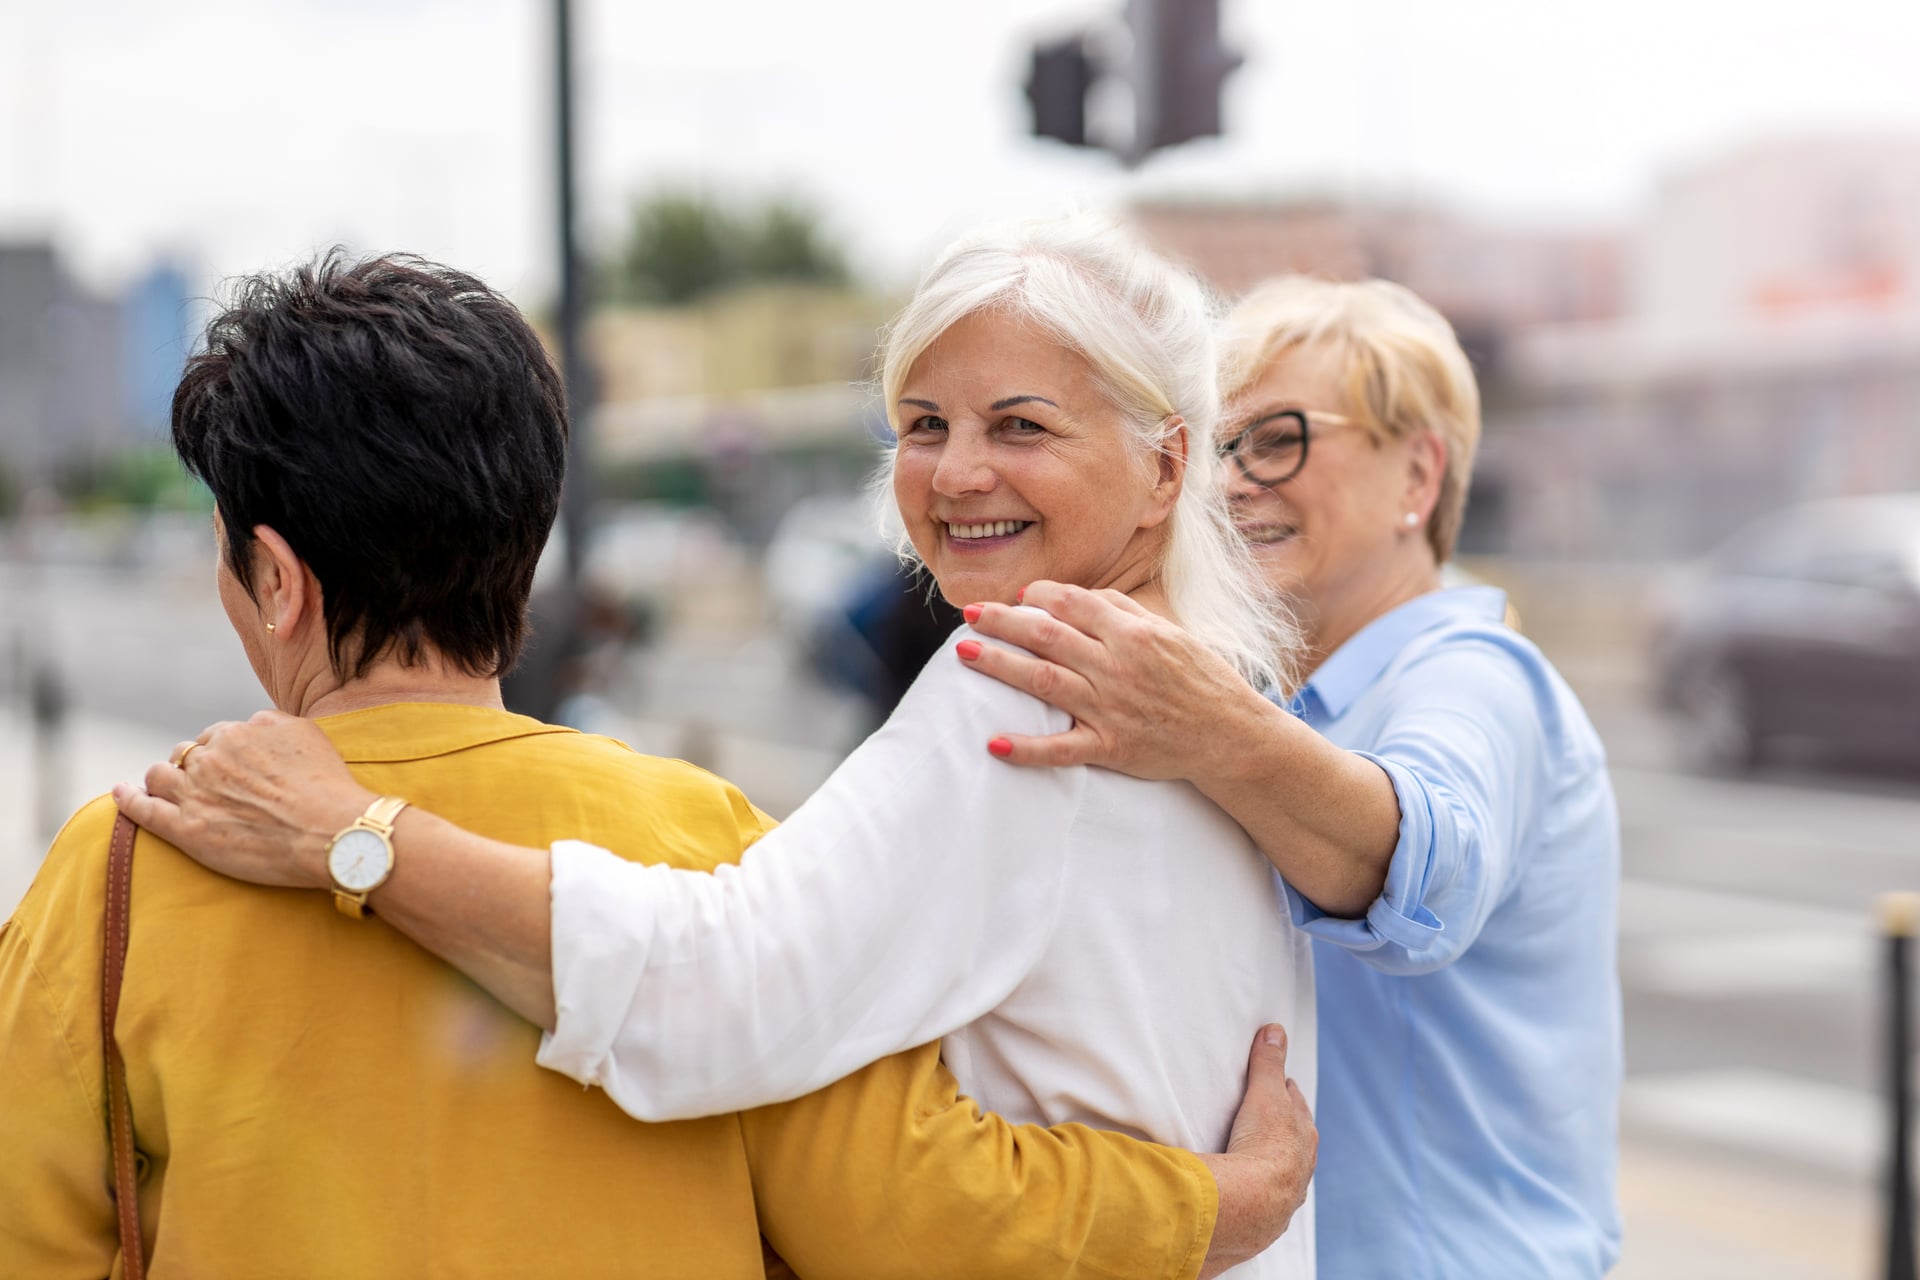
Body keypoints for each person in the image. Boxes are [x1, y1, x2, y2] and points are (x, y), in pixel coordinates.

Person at [0, 252, 1315, 1278]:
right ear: (526, 536)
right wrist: (1212, 1201)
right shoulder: (709, 839)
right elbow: (901, 1216)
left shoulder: (120, 870)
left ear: (272, 579)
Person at [958, 276, 1624, 1277]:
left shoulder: (1472, 673)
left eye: (1278, 440)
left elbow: (1427, 863)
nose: (1230, 484)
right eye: (1217, 447)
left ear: (1419, 473)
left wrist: (1205, 725)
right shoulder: (1295, 704)